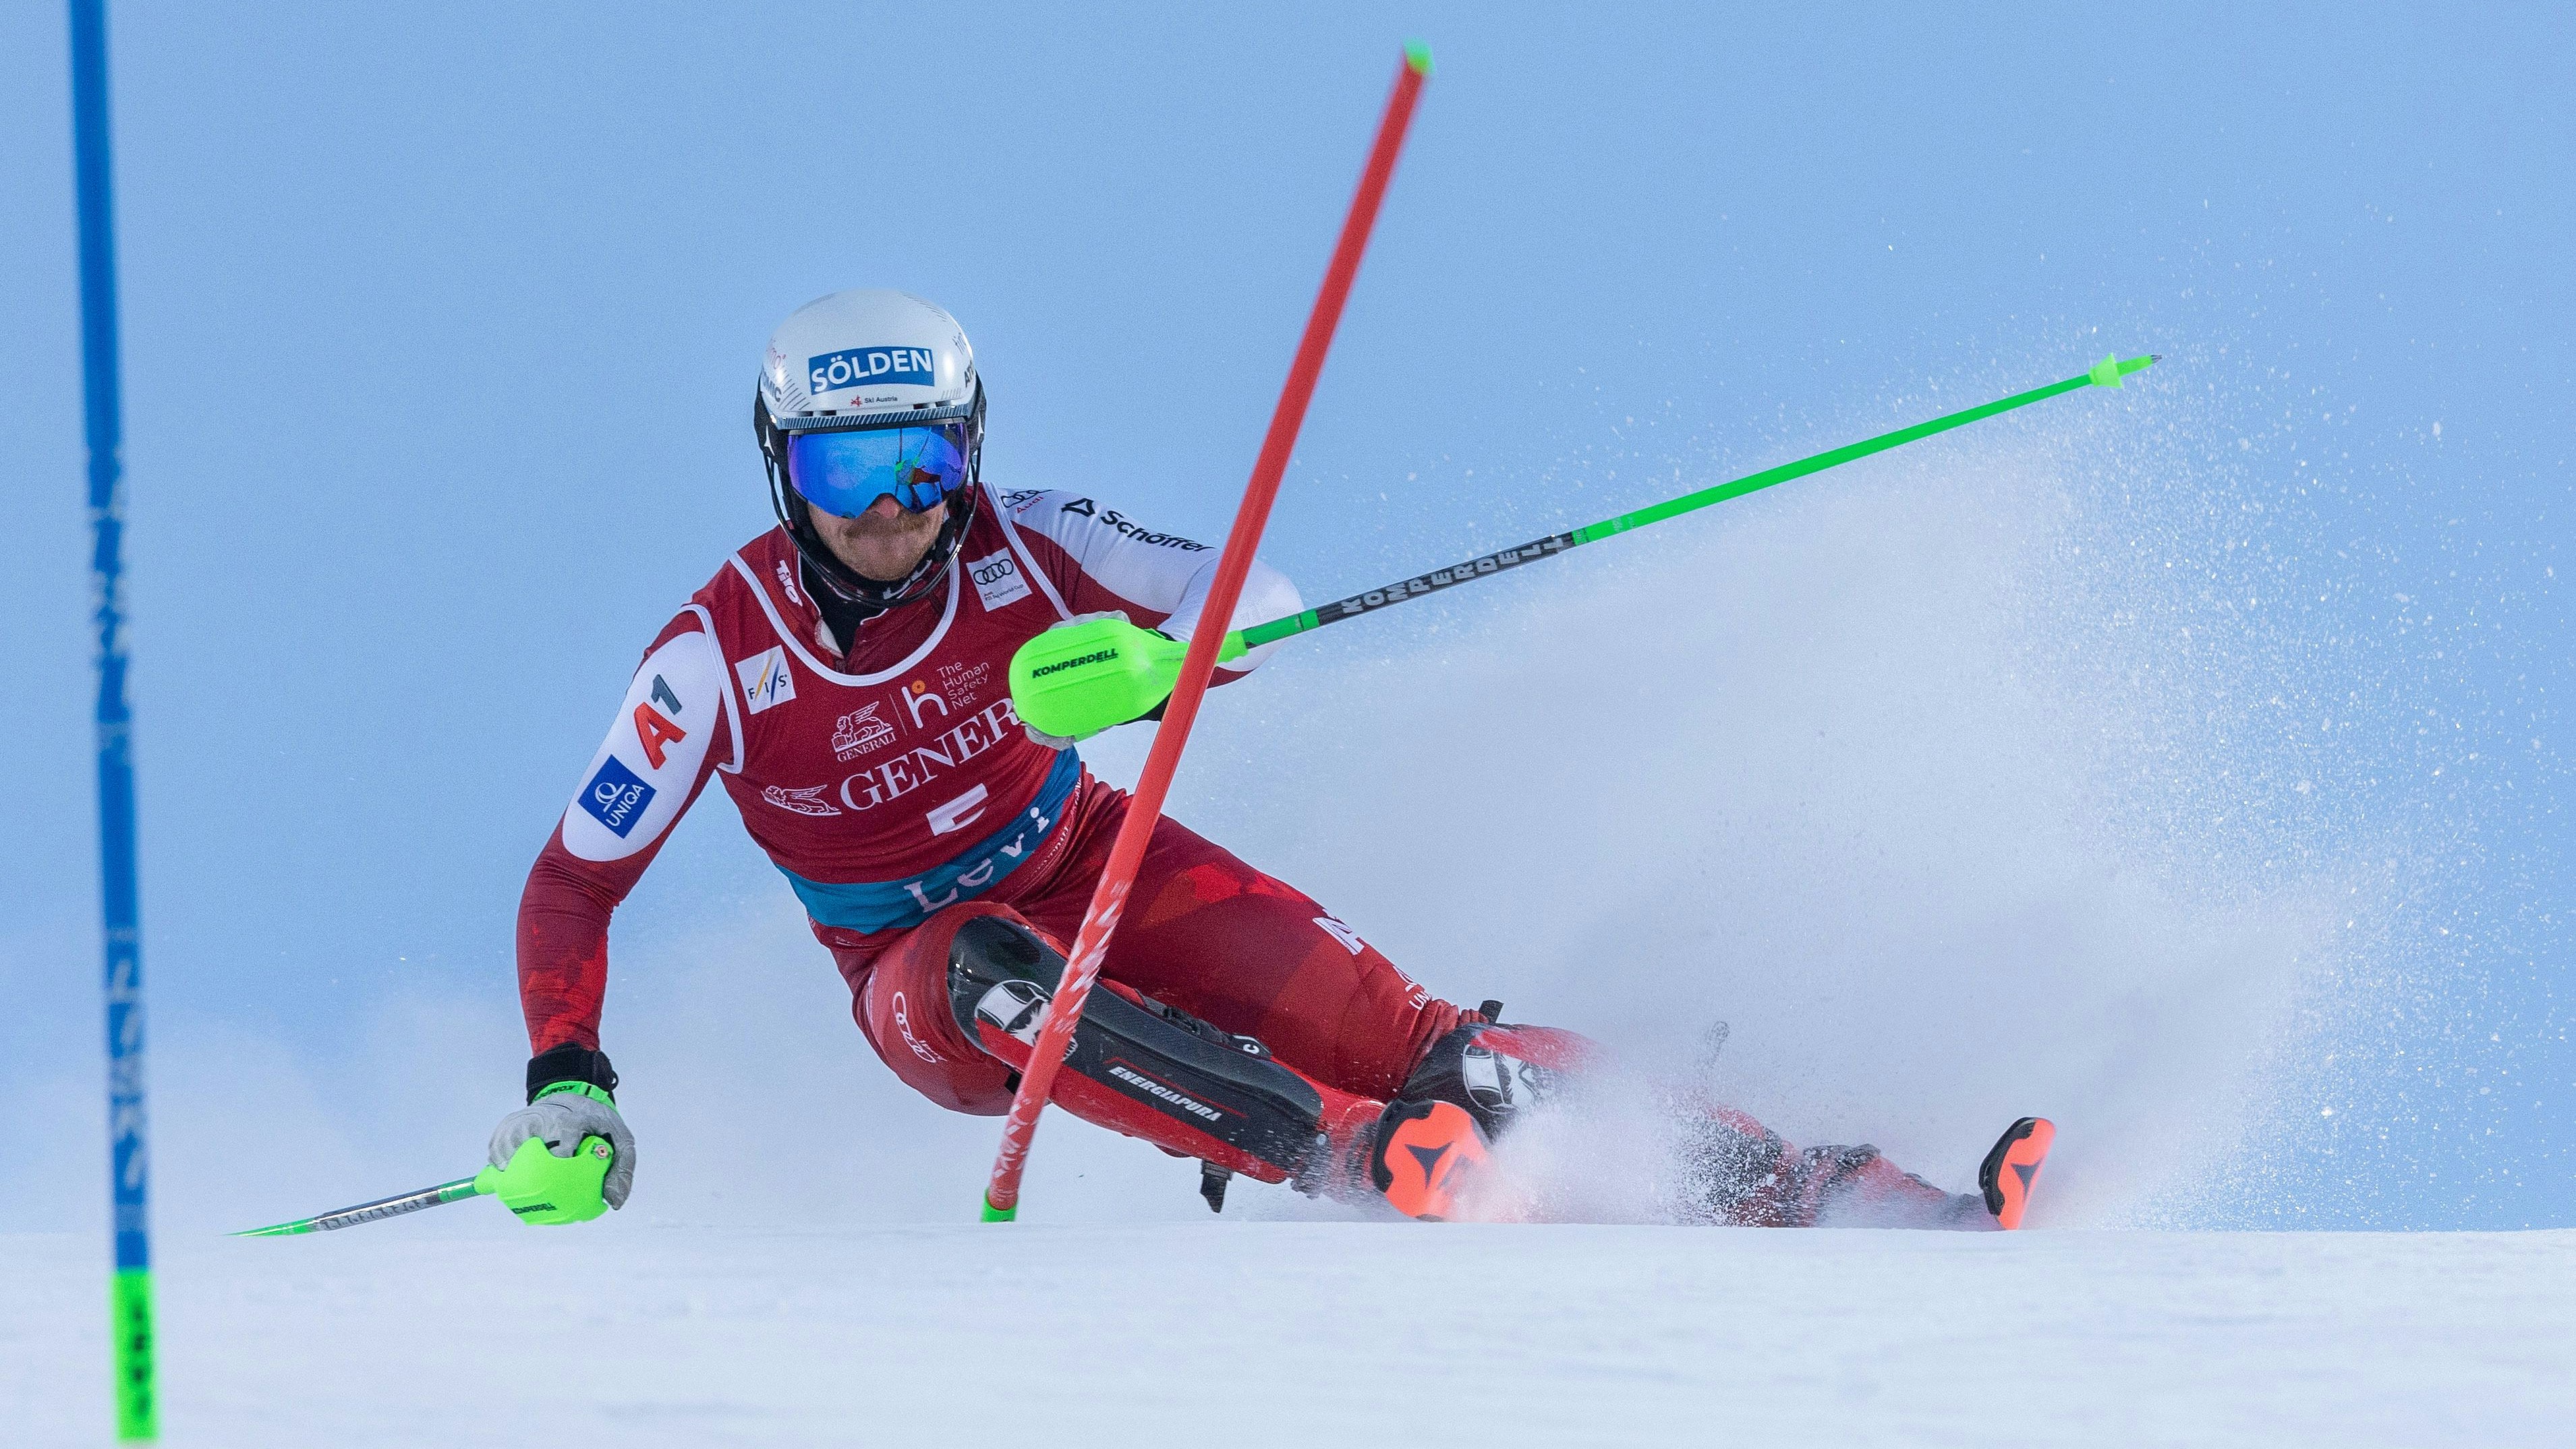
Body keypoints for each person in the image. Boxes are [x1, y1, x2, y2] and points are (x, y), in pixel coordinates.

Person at [486, 289, 2050, 1228]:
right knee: (988, 964)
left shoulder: (1031, 547)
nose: (889, 509)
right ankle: (1352, 1160)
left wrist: (1171, 661)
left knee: (1424, 1043)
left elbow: (1256, 592)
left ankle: (1835, 1191)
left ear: (968, 451)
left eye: (924, 463)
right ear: (782, 466)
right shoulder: (716, 660)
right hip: (916, 973)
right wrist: (570, 1083)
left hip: (1097, 850)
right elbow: (572, 884)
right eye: (845, 468)